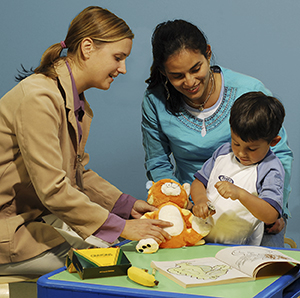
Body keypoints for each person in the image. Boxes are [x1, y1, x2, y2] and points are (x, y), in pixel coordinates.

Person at [0, 6, 172, 276]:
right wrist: (122, 227)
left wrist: (125, 205)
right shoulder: (39, 98)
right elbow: (53, 189)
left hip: (32, 220)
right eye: (118, 57)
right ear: (87, 47)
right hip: (9, 230)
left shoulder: (71, 100)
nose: (123, 69)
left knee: (113, 249)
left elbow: (77, 172)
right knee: (109, 266)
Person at [142, 19, 293, 247]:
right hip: (194, 211)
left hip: (254, 212)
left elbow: (279, 157)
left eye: (196, 69)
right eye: (177, 76)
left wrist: (277, 211)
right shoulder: (155, 101)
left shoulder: (248, 92)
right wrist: (181, 205)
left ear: (208, 54)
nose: (190, 82)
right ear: (163, 72)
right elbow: (158, 163)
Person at [190, 92, 285, 245]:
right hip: (202, 241)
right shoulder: (223, 152)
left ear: (273, 141)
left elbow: (270, 215)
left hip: (238, 249)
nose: (241, 153)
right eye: (236, 143)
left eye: (252, 149)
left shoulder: (270, 168)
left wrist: (240, 194)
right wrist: (201, 200)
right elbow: (199, 182)